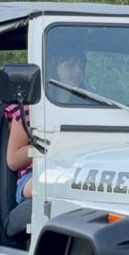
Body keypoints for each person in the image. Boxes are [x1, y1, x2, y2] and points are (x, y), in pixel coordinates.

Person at [5, 48, 87, 202]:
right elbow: (13, 160)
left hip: (81, 173)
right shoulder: (29, 108)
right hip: (35, 176)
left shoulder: (90, 106)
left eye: (82, 66)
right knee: (59, 185)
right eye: (70, 65)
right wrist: (55, 145)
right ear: (52, 68)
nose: (78, 71)